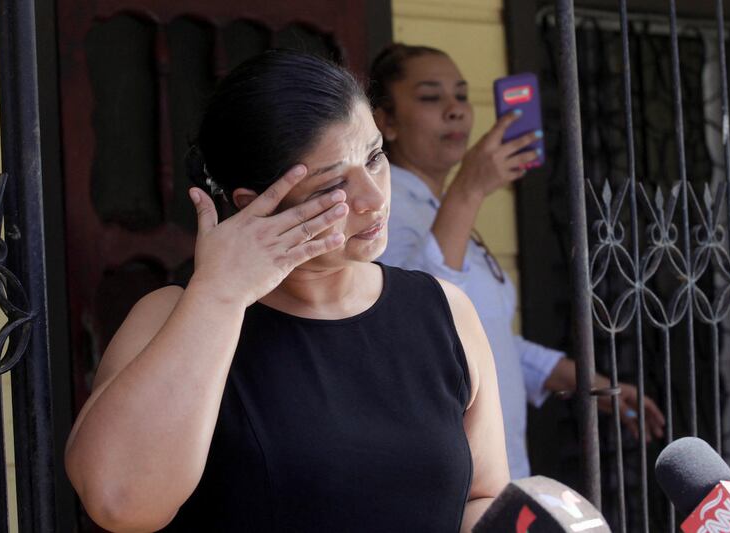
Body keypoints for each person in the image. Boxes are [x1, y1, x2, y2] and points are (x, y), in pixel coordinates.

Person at [65, 50, 509, 532]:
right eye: (333, 185)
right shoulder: (173, 316)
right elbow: (118, 502)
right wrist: (220, 295)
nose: (374, 198)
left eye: (375, 157)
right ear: (255, 205)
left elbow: (482, 495)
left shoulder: (444, 311)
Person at [369, 43, 665, 479]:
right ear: (385, 121)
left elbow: (492, 339)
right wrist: (469, 189)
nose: (456, 111)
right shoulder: (381, 208)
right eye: (431, 97)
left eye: (462, 95)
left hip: (501, 466)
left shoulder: (440, 206)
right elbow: (422, 318)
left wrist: (593, 384)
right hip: (444, 472)